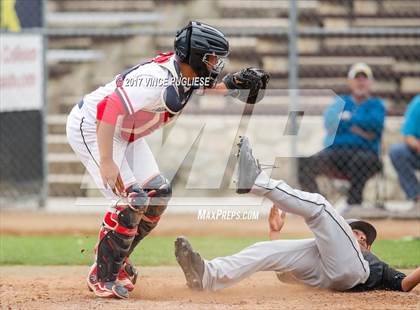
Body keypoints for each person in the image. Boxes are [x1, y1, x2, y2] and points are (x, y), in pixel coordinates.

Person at [66, 21, 269, 299]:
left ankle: (115, 258)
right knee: (132, 199)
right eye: (211, 59)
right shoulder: (157, 79)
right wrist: (106, 160)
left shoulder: (183, 73)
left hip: (125, 133)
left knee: (157, 195)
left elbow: (196, 86)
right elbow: (109, 108)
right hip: (95, 126)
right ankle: (103, 276)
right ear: (196, 56)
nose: (216, 65)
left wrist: (233, 86)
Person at [175, 137, 420, 293]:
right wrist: (274, 233)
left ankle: (257, 182)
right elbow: (285, 274)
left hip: (352, 274)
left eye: (364, 238)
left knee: (321, 207)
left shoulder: (373, 265)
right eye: (355, 231)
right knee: (264, 250)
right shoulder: (324, 248)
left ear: (367, 249)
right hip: (326, 276)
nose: (359, 236)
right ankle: (207, 276)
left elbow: (404, 284)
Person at [298, 63, 385, 210]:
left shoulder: (377, 105)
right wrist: (361, 129)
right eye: (357, 78)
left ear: (370, 83)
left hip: (366, 154)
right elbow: (329, 122)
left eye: (364, 79)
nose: (360, 82)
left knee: (360, 162)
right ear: (350, 82)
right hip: (336, 153)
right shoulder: (340, 102)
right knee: (303, 163)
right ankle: (319, 206)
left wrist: (347, 120)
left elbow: (375, 125)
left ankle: (353, 205)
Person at [389, 94, 420, 214]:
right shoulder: (418, 103)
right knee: (397, 151)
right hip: (418, 152)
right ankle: (416, 197)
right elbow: (408, 136)